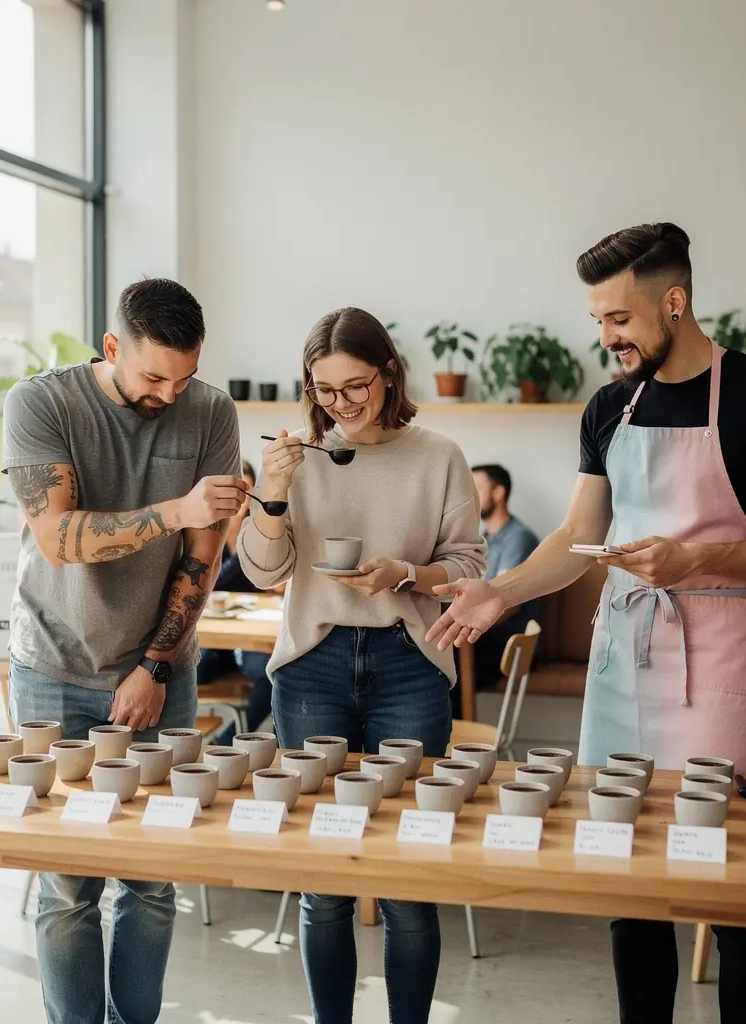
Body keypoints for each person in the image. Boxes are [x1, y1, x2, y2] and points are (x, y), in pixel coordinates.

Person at [427, 223, 746, 1024]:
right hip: (626, 658)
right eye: (598, 322)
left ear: (674, 302)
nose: (607, 337)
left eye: (618, 319)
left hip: (719, 655)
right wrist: (500, 592)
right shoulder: (611, 407)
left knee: (731, 870)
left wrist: (697, 560)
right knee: (622, 865)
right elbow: (580, 537)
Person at [2, 277, 246, 1024]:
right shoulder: (41, 404)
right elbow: (59, 538)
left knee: (151, 873)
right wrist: (175, 507)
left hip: (159, 672)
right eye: (153, 377)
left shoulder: (210, 410)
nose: (171, 394)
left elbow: (200, 560)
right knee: (68, 883)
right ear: (113, 348)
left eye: (185, 376)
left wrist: (155, 665)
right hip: (51, 664)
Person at [238, 307, 486, 1024]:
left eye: (355, 387)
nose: (339, 405)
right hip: (313, 664)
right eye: (323, 390)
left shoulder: (437, 456)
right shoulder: (297, 459)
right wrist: (274, 497)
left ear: (389, 375)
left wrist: (403, 573)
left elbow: (470, 566)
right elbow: (261, 572)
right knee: (325, 877)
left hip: (408, 663)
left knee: (410, 873)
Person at [450, 464, 541, 718]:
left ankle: (453, 743)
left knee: (445, 669)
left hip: (508, 644)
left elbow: (508, 603)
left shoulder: (518, 538)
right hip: (485, 640)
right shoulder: (483, 539)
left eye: (476, 489)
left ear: (498, 493)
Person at [197, 458, 273, 737]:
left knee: (271, 673)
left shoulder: (264, 534)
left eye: (245, 491)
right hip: (214, 636)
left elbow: (276, 585)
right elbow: (204, 581)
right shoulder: (204, 534)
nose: (238, 500)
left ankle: (227, 742)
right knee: (189, 670)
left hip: (250, 635)